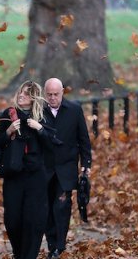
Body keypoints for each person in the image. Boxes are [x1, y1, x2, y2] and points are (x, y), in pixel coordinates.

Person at [0, 81, 52, 259]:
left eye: (26, 94)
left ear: (34, 97)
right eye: (20, 92)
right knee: (12, 221)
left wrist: (41, 129)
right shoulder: (8, 114)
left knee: (33, 221)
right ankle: (18, 252)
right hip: (14, 174)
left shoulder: (43, 116)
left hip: (36, 176)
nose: (21, 96)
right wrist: (8, 132)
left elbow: (54, 144)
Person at [42, 78, 92, 258]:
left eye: (56, 94)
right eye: (49, 94)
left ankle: (59, 246)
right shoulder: (39, 111)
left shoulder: (74, 110)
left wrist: (86, 165)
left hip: (66, 168)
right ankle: (51, 243)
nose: (53, 98)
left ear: (62, 92)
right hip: (45, 169)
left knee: (62, 206)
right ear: (44, 94)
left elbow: (84, 140)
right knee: (46, 207)